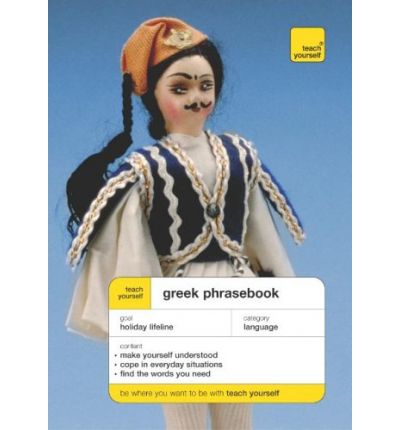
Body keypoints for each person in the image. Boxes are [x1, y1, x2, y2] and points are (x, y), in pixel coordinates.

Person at [65, 17, 305, 430]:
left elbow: (260, 233)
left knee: (238, 413)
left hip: (237, 295)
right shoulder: (148, 169)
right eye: (180, 88)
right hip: (178, 301)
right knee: (185, 416)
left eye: (205, 86)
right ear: (153, 97)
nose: (197, 98)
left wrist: (285, 291)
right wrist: (144, 314)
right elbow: (135, 248)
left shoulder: (239, 155)